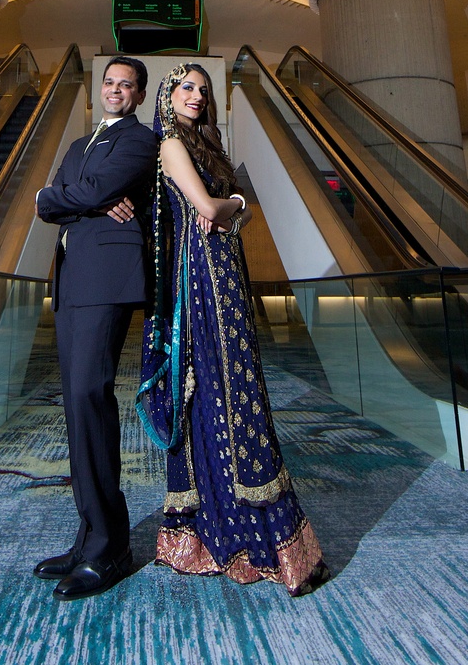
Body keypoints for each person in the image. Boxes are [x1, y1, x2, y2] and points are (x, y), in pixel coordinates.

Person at [137, 63, 326, 595]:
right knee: (214, 387)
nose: (197, 96)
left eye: (203, 89)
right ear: (168, 95)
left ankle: (246, 524)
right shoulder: (171, 145)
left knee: (240, 386)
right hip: (200, 277)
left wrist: (233, 205)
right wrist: (229, 205)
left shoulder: (209, 146)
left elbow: (238, 210)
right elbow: (206, 206)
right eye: (186, 88)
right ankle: (220, 528)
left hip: (227, 273)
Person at [32, 55, 158, 601]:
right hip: (72, 279)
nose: (115, 90)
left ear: (139, 94)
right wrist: (71, 200)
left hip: (107, 277)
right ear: (98, 89)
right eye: (109, 82)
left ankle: (109, 548)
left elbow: (78, 194)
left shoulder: (139, 140)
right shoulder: (79, 145)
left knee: (89, 396)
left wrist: (59, 198)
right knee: (77, 406)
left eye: (126, 85)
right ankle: (89, 538)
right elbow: (71, 199)